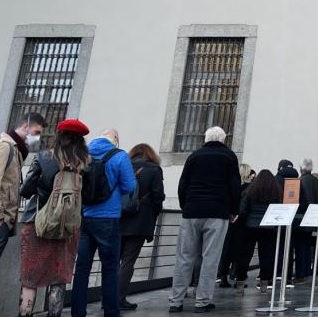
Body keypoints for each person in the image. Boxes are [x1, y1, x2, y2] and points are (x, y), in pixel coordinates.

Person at [0, 113, 43, 317]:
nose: (38, 137)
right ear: (26, 126)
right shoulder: (5, 147)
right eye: (37, 132)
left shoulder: (13, 149)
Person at [19, 118, 87, 317]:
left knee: (30, 278)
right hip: (68, 229)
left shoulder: (43, 158)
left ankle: (25, 313)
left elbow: (25, 191)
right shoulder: (86, 165)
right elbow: (91, 197)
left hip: (37, 224)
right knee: (59, 278)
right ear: (80, 142)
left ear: (59, 137)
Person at [169, 127, 241, 313]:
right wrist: (234, 210)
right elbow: (234, 185)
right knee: (210, 258)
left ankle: (176, 301)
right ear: (224, 140)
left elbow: (183, 184)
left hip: (192, 211)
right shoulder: (229, 156)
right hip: (217, 212)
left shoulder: (194, 155)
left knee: (184, 257)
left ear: (206, 138)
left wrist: (186, 206)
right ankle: (202, 302)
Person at [72, 128, 137, 317]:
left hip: (85, 216)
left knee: (82, 268)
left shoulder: (84, 154)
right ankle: (111, 312)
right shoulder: (120, 156)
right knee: (109, 268)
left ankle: (77, 312)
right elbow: (129, 186)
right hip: (108, 218)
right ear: (115, 139)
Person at [118, 143, 165, 311]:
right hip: (139, 221)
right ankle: (119, 298)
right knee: (128, 262)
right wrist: (153, 214)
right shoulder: (154, 170)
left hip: (118, 219)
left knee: (113, 262)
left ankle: (107, 298)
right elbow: (158, 196)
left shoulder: (123, 166)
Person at [238, 170, 281, 292]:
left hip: (250, 227)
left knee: (245, 255)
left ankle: (240, 283)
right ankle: (264, 285)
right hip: (268, 227)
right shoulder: (276, 193)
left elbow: (242, 210)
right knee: (266, 256)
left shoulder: (250, 192)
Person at [218, 163, 253, 291]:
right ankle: (237, 277)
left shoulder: (231, 187)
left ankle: (223, 276)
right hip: (242, 223)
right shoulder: (249, 188)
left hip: (229, 221)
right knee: (240, 252)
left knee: (226, 250)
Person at [295, 159, 318, 281]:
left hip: (301, 218)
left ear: (302, 168)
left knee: (300, 246)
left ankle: (301, 272)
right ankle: (307, 270)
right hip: (313, 218)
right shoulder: (317, 182)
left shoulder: (300, 181)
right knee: (308, 245)